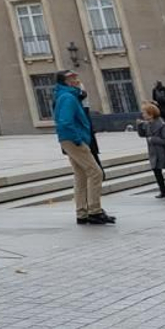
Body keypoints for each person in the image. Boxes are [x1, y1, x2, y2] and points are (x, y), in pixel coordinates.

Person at [54, 70, 113, 226]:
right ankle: (95, 211)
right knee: (96, 173)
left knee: (81, 175)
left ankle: (82, 213)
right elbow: (65, 121)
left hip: (69, 139)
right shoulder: (67, 97)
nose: (76, 79)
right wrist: (78, 139)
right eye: (72, 78)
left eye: (75, 76)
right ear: (66, 81)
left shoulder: (67, 95)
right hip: (73, 139)